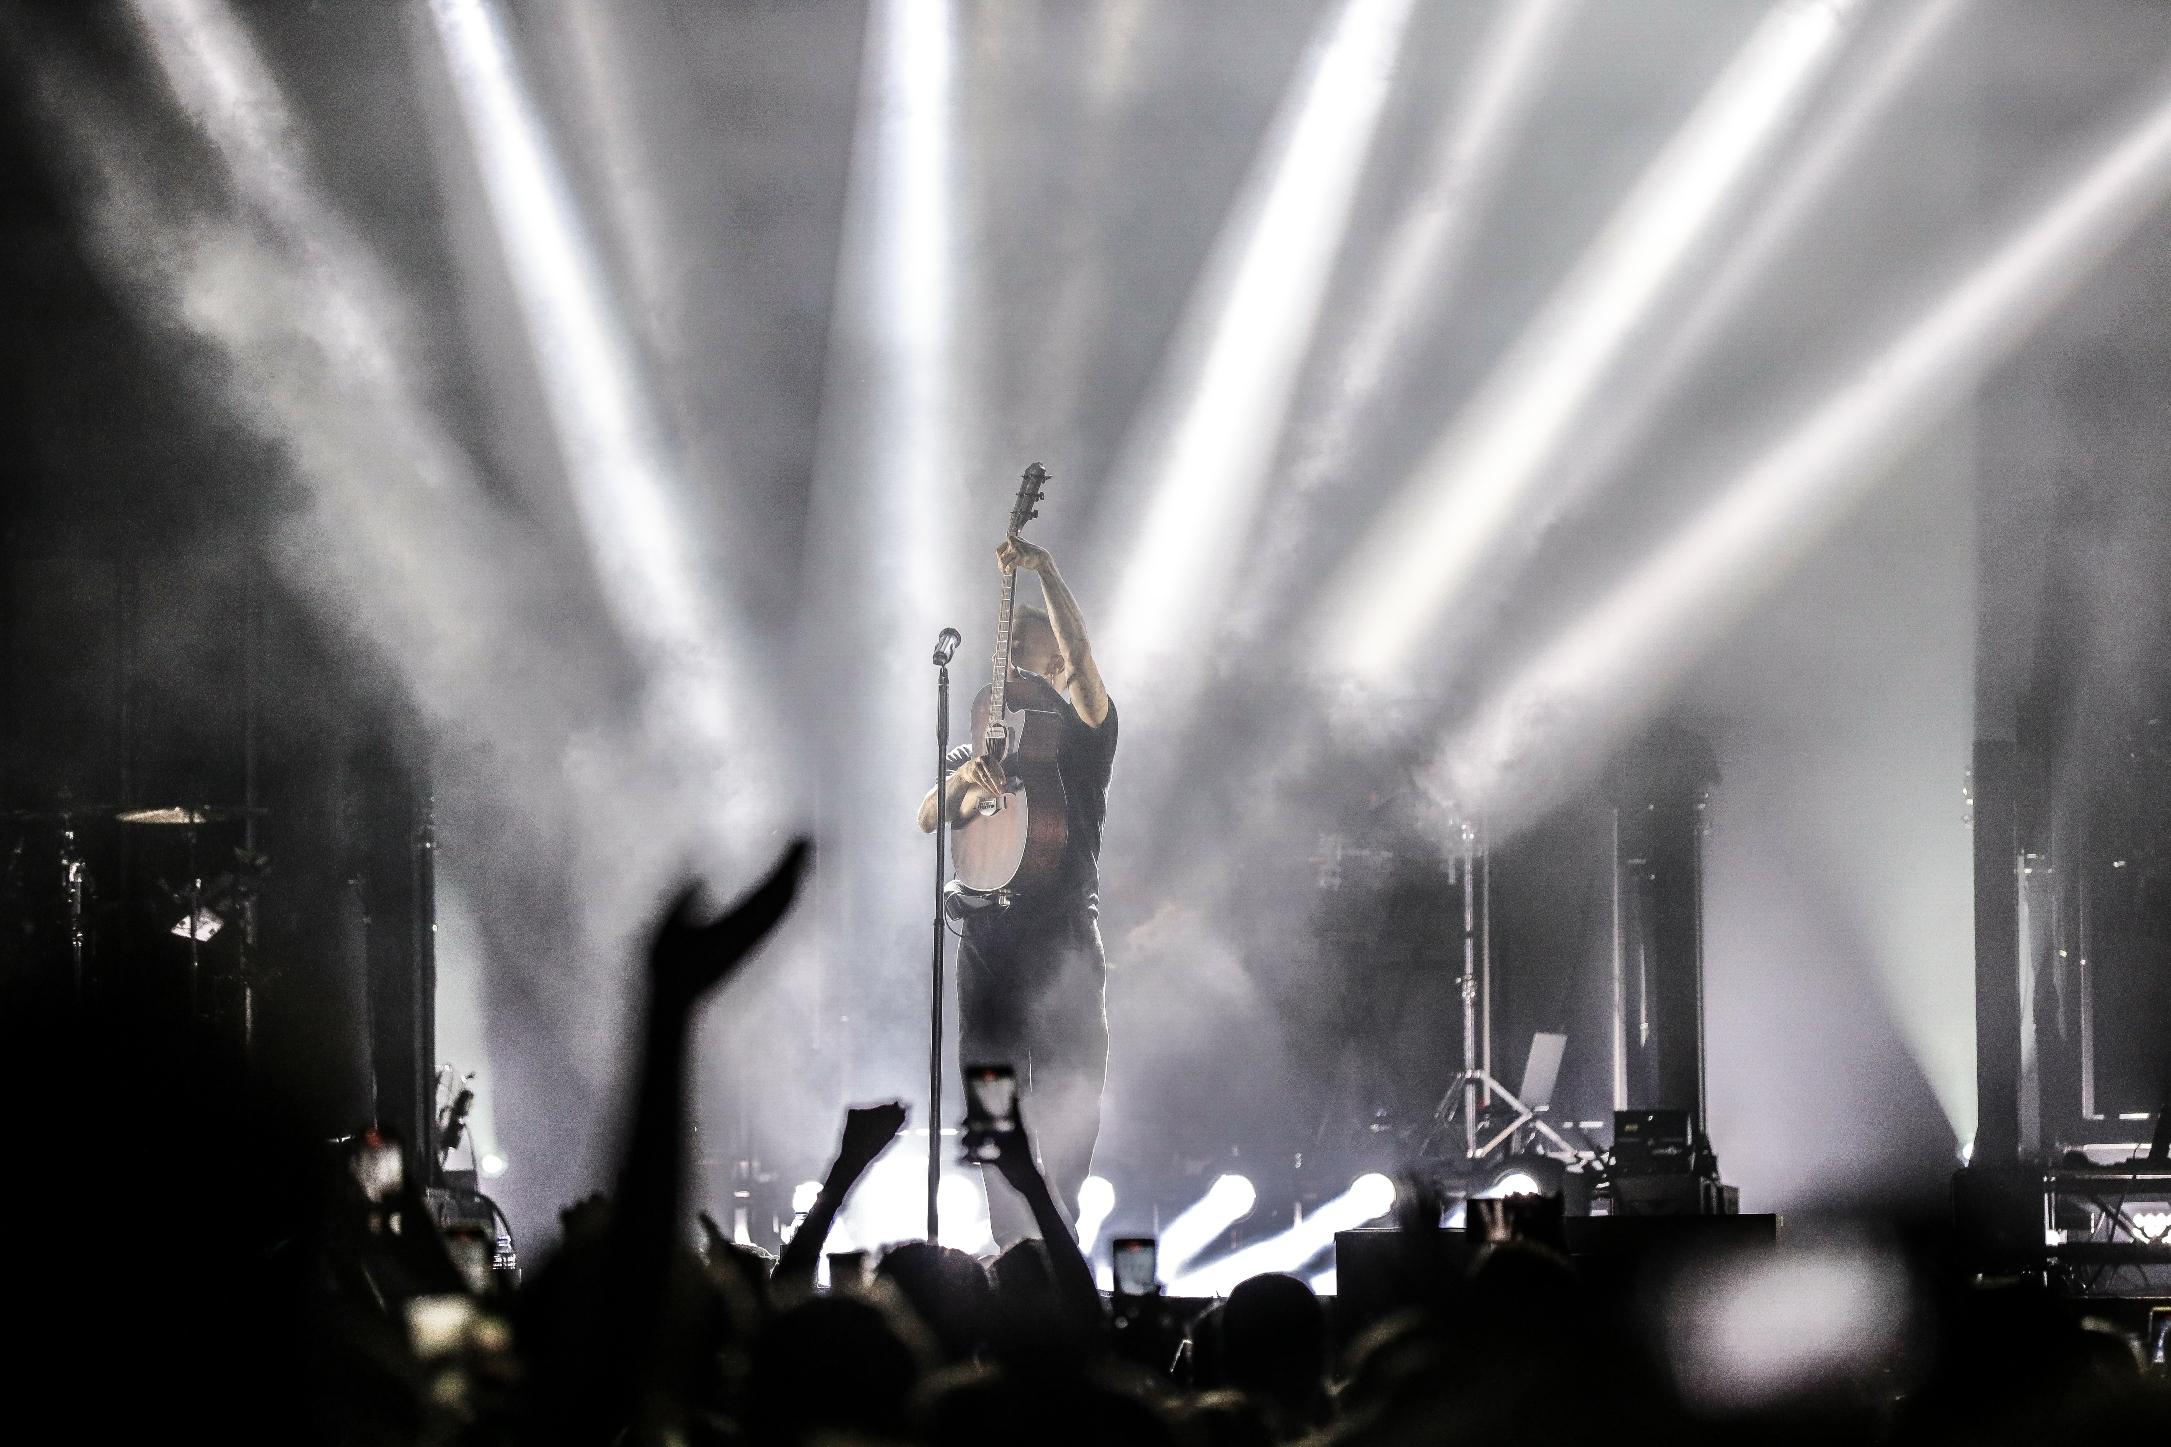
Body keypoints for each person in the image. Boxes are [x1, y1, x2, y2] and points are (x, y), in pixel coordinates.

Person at [918, 535, 1116, 1244]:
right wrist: (966, 784)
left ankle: (1062, 1235)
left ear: (1055, 661)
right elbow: (929, 814)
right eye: (1009, 660)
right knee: (989, 1090)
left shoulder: (1085, 732)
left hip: (1059, 935)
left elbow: (1084, 659)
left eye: (1029, 657)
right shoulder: (983, 741)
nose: (1014, 671)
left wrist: (1046, 570)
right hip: (986, 937)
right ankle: (1007, 1244)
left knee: (1069, 1088)